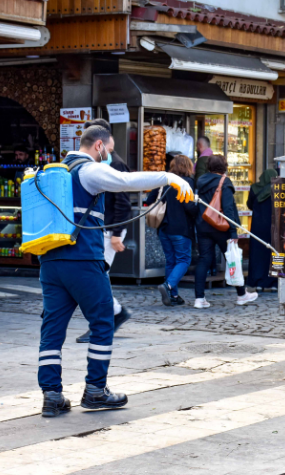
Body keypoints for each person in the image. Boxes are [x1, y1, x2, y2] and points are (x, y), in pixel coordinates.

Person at [38, 125, 193, 417]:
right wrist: (168, 177)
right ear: (98, 146)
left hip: (50, 262)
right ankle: (96, 390)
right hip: (82, 260)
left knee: (52, 331)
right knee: (103, 323)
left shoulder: (52, 172)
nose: (108, 155)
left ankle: (51, 396)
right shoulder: (88, 171)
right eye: (108, 150)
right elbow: (124, 181)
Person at [75, 118, 132, 344]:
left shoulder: (114, 163)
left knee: (96, 277)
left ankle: (106, 320)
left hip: (109, 230)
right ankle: (114, 314)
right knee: (96, 277)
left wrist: (117, 233)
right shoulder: (97, 163)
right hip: (101, 229)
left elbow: (123, 202)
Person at [194, 155, 258, 308]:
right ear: (224, 166)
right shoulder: (224, 182)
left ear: (209, 166)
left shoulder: (200, 181)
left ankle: (199, 298)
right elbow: (228, 208)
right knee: (232, 259)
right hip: (221, 227)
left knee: (204, 260)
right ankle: (241, 294)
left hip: (203, 225)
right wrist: (233, 231)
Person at [146, 155, 197, 306]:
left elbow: (149, 200)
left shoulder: (164, 181)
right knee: (184, 260)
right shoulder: (187, 182)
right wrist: (199, 207)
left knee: (171, 261)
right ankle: (167, 286)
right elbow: (189, 207)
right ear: (187, 167)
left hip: (163, 228)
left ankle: (173, 295)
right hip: (180, 228)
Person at [246, 168, 278, 291]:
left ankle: (258, 282)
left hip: (257, 227)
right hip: (274, 227)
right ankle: (273, 282)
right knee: (273, 254)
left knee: (258, 255)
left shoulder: (255, 188)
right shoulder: (278, 189)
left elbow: (249, 205)